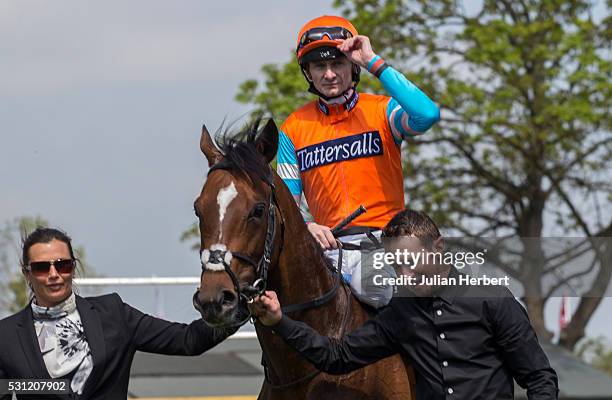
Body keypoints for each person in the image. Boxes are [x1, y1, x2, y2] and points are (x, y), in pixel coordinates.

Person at [250, 209, 559, 400]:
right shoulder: (401, 312)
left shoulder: (493, 300)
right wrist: (280, 322)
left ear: (438, 247)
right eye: (396, 265)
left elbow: (539, 378)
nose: (405, 274)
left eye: (411, 261)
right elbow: (337, 356)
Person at [277, 15, 440, 307]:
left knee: (375, 287)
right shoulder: (292, 127)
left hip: (388, 245)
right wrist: (306, 226)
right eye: (319, 66)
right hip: (328, 251)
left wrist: (372, 60)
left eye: (337, 63)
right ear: (308, 73)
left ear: (353, 66)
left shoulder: (383, 110)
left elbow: (427, 115)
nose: (329, 74)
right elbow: (287, 202)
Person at [0, 227, 236, 399]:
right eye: (42, 268)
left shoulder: (113, 313)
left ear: (73, 267)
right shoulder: (6, 335)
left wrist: (242, 307)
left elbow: (188, 340)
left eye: (63, 265)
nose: (54, 274)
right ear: (27, 274)